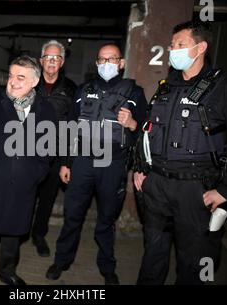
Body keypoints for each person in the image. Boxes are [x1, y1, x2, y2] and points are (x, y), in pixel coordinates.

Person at [133, 21, 227, 285]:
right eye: (172, 45)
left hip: (196, 189)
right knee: (153, 253)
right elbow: (148, 133)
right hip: (157, 185)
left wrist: (226, 191)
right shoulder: (166, 88)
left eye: (180, 45)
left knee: (194, 260)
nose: (173, 50)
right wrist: (140, 167)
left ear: (201, 47)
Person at [46, 43, 148, 285]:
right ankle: (62, 260)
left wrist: (133, 123)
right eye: (102, 60)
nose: (106, 64)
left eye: (112, 59)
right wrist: (65, 163)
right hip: (82, 161)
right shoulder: (83, 90)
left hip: (113, 163)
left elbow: (146, 130)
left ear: (121, 63)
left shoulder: (134, 92)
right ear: (97, 63)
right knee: (73, 215)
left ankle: (107, 266)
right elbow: (70, 128)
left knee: (106, 219)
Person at [0, 55, 57, 285]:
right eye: (10, 76)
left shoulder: (46, 111)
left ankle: (7, 272)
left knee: (13, 236)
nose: (13, 82)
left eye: (20, 78)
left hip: (23, 188)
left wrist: (36, 174)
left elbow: (47, 150)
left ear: (35, 82)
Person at [31, 40, 77, 257]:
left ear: (62, 62)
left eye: (56, 57)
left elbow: (72, 129)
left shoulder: (70, 89)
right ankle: (18, 232)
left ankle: (39, 235)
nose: (52, 61)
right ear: (41, 61)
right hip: (26, 151)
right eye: (48, 57)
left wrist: (66, 162)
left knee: (47, 199)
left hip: (55, 155)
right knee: (24, 194)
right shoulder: (28, 82)